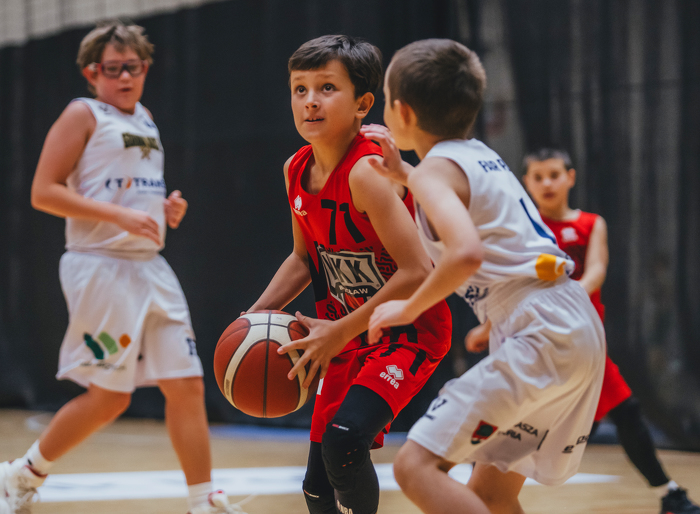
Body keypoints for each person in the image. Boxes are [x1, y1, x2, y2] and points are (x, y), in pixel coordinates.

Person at [0, 21, 242, 514]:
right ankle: (23, 474)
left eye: (133, 67)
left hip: (150, 265)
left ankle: (203, 500)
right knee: (110, 398)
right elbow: (44, 192)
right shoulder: (83, 113)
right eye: (113, 69)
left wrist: (164, 210)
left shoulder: (146, 118)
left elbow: (133, 189)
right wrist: (119, 216)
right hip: (100, 265)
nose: (125, 77)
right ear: (92, 73)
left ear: (146, 68)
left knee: (187, 383)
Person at [361, 38, 606, 514]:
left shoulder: (434, 173)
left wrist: (407, 308)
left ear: (402, 112)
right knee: (492, 493)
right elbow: (464, 202)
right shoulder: (476, 154)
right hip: (570, 323)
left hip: (539, 330)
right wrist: (405, 174)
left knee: (414, 467)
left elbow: (466, 254)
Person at [247, 35, 452, 514]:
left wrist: (339, 330)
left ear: (363, 104)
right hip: (346, 336)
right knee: (316, 487)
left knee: (344, 442)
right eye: (300, 89)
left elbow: (417, 271)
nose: (310, 101)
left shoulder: (367, 171)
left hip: (408, 332)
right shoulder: (295, 169)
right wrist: (255, 316)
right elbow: (304, 258)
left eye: (326, 88)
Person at [516, 148, 700, 514]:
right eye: (538, 177)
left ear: (571, 177)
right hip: (540, 343)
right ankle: (480, 489)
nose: (547, 183)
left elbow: (596, 271)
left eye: (554, 174)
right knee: (517, 420)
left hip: (585, 343)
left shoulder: (590, 223)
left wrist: (566, 301)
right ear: (526, 183)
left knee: (624, 412)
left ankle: (668, 494)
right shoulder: (524, 226)